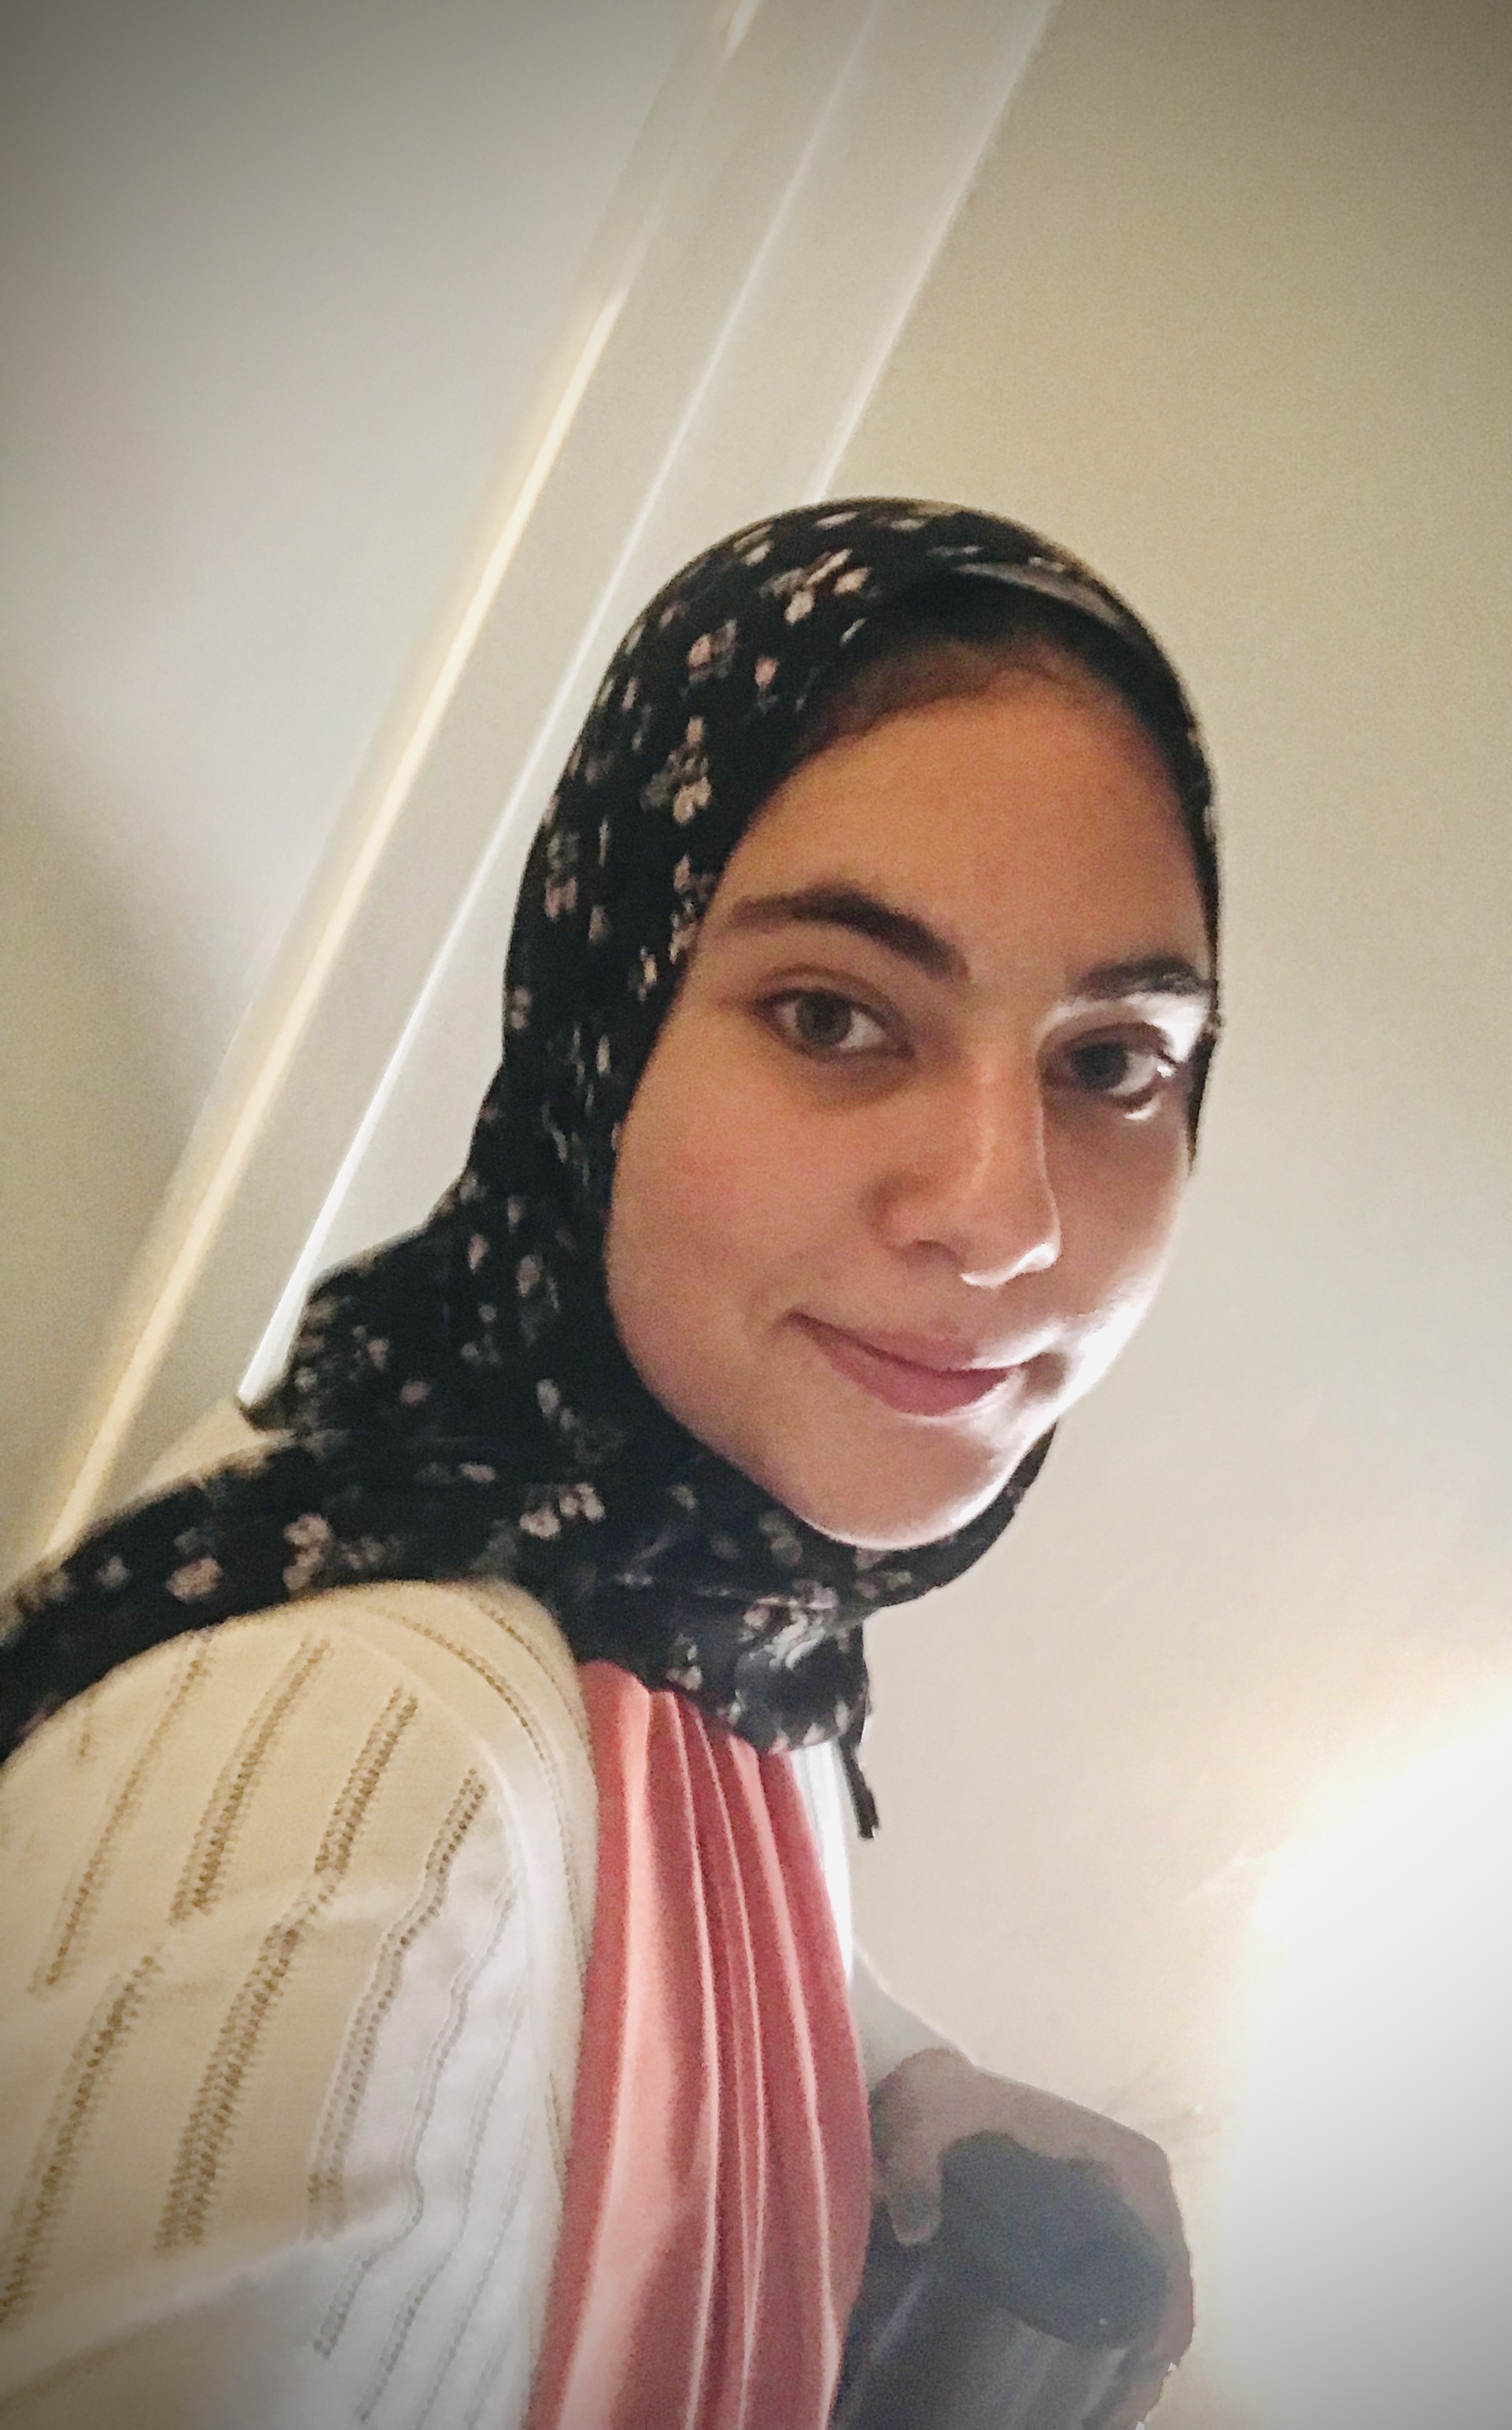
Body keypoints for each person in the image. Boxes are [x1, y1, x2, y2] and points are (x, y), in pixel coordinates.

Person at [0, 500, 1219, 2428]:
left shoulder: (698, 1597)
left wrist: (902, 2075)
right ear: (603, 1026)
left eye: (1111, 1060)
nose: (1003, 1216)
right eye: (832, 1014)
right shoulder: (366, 1776)